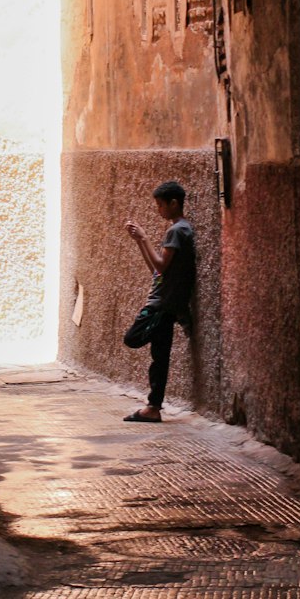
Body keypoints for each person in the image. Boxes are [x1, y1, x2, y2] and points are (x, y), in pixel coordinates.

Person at [121, 181, 196, 423]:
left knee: (132, 338)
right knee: (160, 357)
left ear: (174, 203)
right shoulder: (181, 229)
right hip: (167, 304)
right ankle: (153, 407)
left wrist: (144, 237)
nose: (159, 210)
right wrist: (140, 241)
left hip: (160, 305)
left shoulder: (176, 231)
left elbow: (161, 266)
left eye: (161, 205)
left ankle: (153, 406)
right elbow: (157, 269)